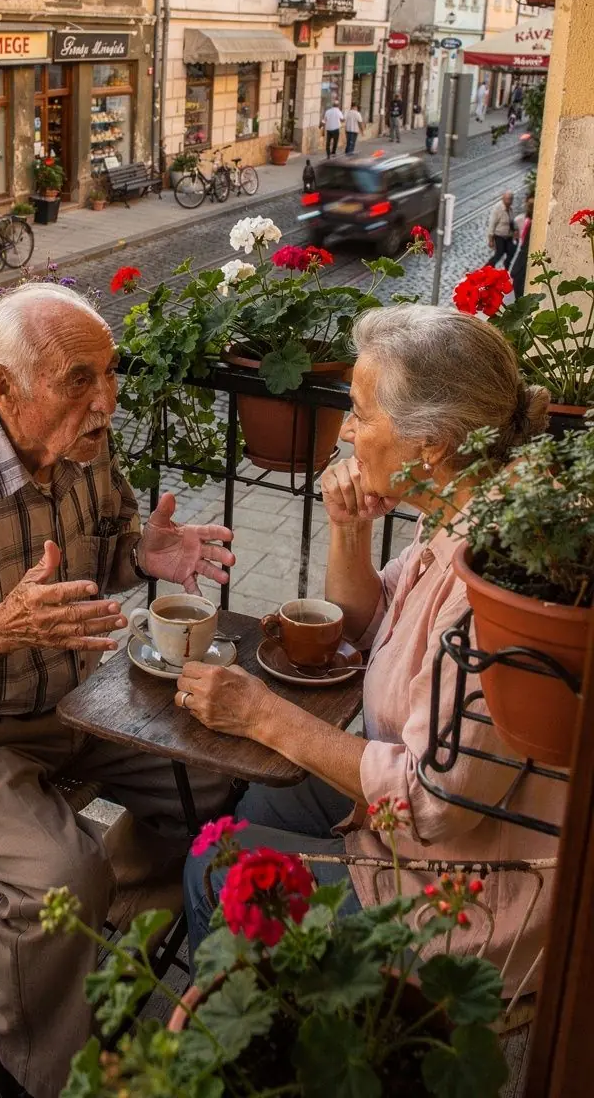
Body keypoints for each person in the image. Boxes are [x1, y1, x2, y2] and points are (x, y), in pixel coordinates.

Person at [0, 284, 235, 1098]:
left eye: (110, 374)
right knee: (62, 873)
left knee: (220, 775)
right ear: (2, 389)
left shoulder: (81, 448)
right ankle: (28, 1076)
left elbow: (113, 545)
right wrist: (0, 629)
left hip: (61, 708)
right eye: (79, 378)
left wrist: (146, 557)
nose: (107, 401)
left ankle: (76, 927)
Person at [181, 306, 560, 994]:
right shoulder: (458, 517)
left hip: (467, 895)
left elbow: (435, 803)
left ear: (433, 442)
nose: (347, 430)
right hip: (414, 832)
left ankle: (275, 1046)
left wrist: (264, 715)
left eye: (360, 413)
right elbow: (364, 624)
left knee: (213, 872)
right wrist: (348, 530)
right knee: (263, 805)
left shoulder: (498, 578)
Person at [510, 195, 534, 299]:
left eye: (531, 205)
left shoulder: (533, 225)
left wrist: (516, 269)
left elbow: (525, 249)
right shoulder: (522, 220)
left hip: (524, 267)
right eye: (528, 204)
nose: (528, 207)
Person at [488, 189, 518, 267]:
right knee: (499, 253)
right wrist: (490, 239)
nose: (509, 201)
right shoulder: (498, 208)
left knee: (511, 251)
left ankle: (506, 268)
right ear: (503, 199)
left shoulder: (511, 208)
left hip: (509, 236)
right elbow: (492, 223)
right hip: (499, 236)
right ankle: (487, 268)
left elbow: (512, 221)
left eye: (511, 199)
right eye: (507, 199)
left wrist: (515, 230)